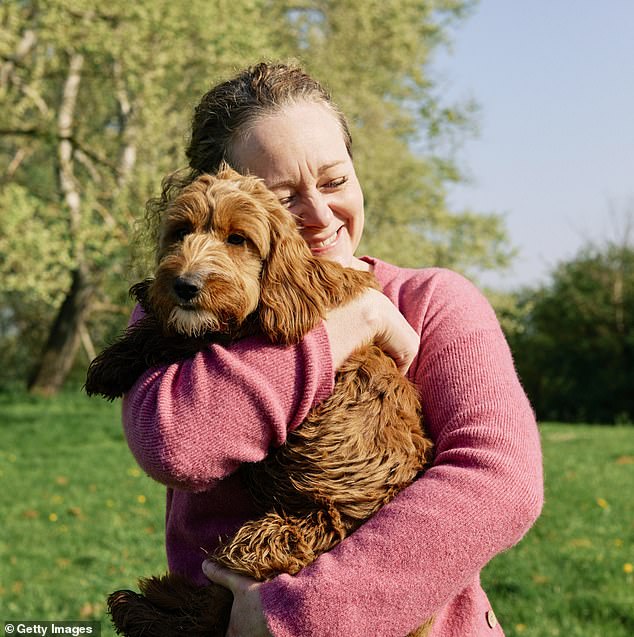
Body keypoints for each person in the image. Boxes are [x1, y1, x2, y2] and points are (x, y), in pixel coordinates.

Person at [122, 62, 543, 637]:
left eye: (334, 180)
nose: (319, 216)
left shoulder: (431, 300)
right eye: (283, 195)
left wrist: (300, 615)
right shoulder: (184, 305)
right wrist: (348, 323)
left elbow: (500, 480)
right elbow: (178, 444)